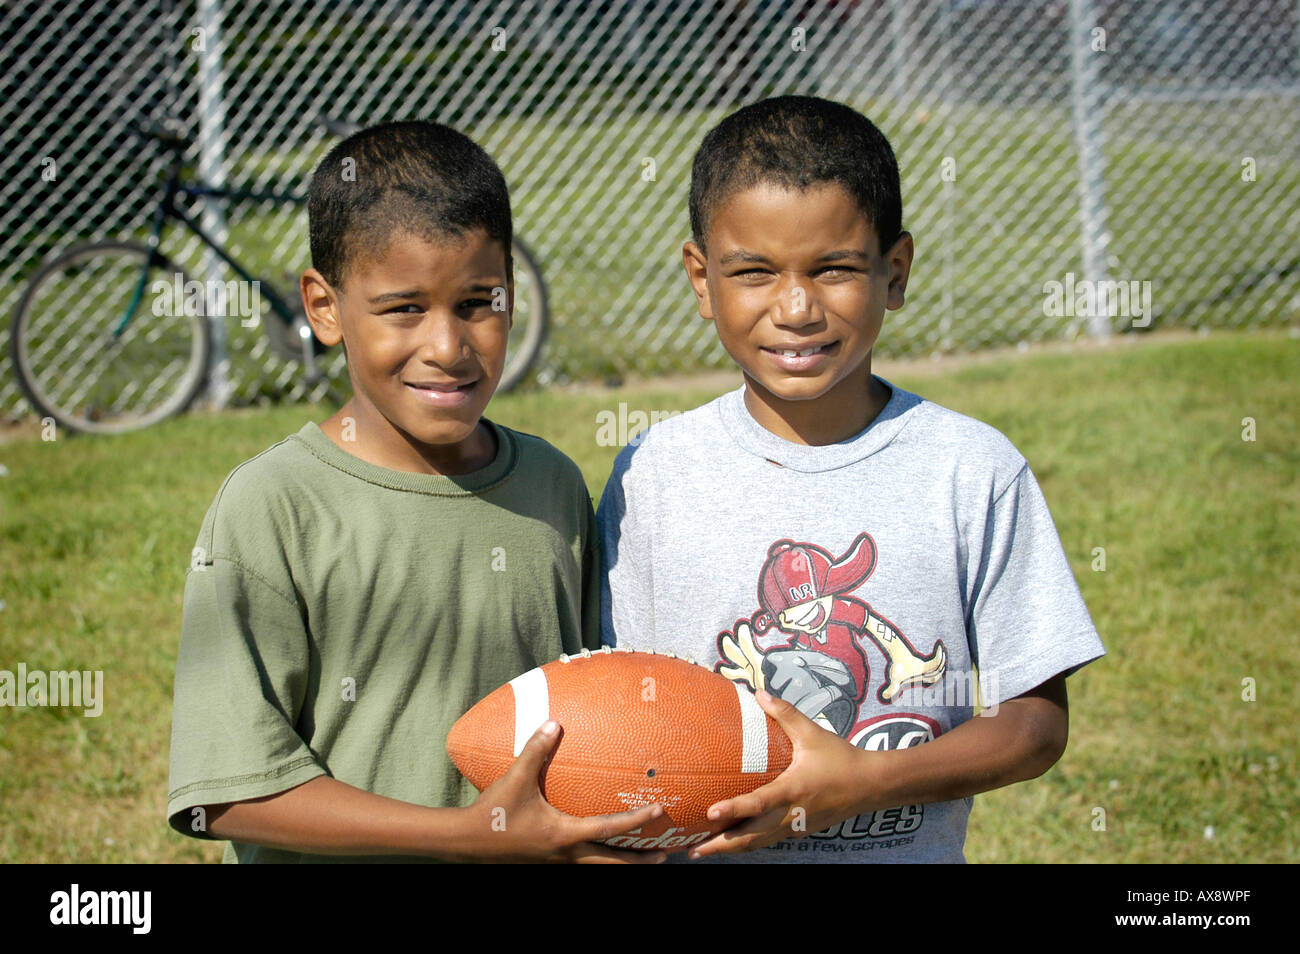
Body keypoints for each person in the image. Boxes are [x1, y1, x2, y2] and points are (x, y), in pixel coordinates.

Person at [598, 96, 1105, 863]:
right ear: (701, 280)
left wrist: (863, 780)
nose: (797, 308)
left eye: (833, 269)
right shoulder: (653, 474)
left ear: (894, 272)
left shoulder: (971, 469)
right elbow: (621, 709)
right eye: (754, 272)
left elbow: (1033, 725)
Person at [166, 120, 663, 863]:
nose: (447, 346)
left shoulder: (553, 487)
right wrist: (472, 836)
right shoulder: (272, 507)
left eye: (477, 302)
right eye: (404, 308)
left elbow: (590, 717)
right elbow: (226, 789)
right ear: (324, 307)